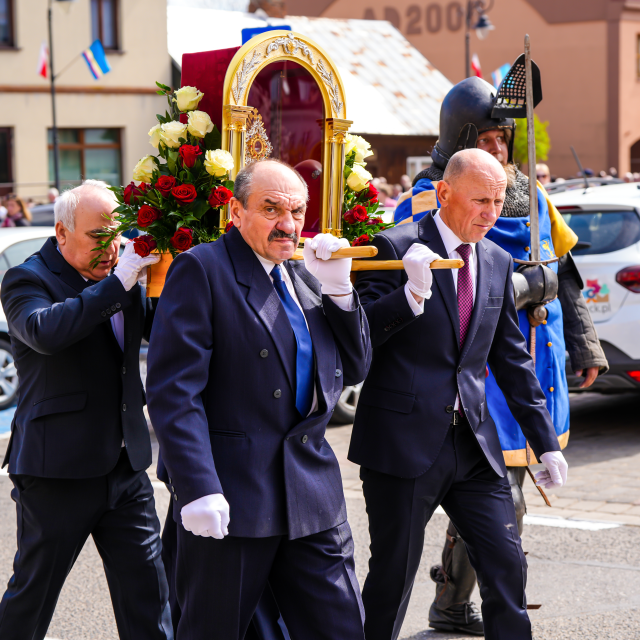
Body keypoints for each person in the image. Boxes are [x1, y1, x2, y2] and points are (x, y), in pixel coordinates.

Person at [394, 76, 607, 635]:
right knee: (501, 500)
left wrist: (584, 344)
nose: (496, 152)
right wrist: (519, 287)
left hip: (532, 362)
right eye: (484, 141)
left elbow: (564, 273)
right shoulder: (429, 199)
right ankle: (455, 603)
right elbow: (448, 287)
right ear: (458, 142)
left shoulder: (530, 195)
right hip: (476, 373)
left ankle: (452, 603)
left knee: (499, 498)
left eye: (501, 141)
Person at [146, 159, 371, 640]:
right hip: (234, 495)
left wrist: (341, 293)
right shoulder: (203, 269)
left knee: (342, 628)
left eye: (297, 211)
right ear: (236, 211)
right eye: (271, 209)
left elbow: (354, 368)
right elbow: (175, 391)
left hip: (311, 496)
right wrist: (198, 485)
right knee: (213, 631)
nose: (288, 224)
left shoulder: (304, 276)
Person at [350, 149, 569, 640]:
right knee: (392, 579)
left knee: (507, 567)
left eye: (498, 202)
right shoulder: (393, 246)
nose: (491, 214)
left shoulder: (497, 259)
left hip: (472, 445)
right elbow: (360, 340)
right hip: (402, 444)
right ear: (444, 193)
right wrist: (410, 294)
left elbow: (511, 360)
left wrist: (546, 442)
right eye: (480, 201)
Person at [0, 180, 172, 640]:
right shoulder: (27, 278)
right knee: (31, 600)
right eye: (98, 236)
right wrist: (118, 283)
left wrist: (173, 277)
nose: (111, 248)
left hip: (126, 464)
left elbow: (166, 334)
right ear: (61, 232)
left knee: (151, 600)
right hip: (57, 469)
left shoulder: (123, 275)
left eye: (117, 236)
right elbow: (46, 331)